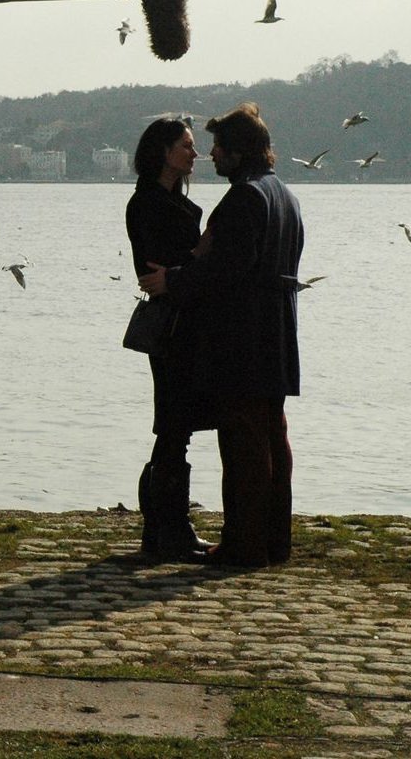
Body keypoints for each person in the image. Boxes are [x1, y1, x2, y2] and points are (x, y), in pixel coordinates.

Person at [139, 102, 303, 567]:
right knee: (274, 439)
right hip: (278, 336)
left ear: (238, 151)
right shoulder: (284, 195)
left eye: (218, 147)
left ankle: (244, 545)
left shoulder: (246, 197)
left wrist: (174, 280)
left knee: (244, 443)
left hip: (244, 339)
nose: (212, 154)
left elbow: (229, 268)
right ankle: (274, 541)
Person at [125, 118, 213, 562]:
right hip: (174, 326)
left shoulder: (166, 200)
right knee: (174, 424)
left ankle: (163, 526)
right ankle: (169, 526)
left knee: (175, 424)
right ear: (163, 150)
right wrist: (202, 252)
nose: (194, 154)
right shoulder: (149, 203)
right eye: (186, 146)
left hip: (182, 321)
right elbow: (158, 269)